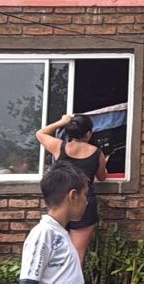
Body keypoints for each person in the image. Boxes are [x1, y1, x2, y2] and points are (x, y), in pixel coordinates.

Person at [36, 113, 107, 264]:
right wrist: (104, 163)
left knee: (52, 251)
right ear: (88, 133)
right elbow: (102, 177)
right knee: (77, 255)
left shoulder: (59, 146)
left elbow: (40, 133)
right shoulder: (97, 153)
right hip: (84, 202)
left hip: (60, 200)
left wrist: (61, 122)